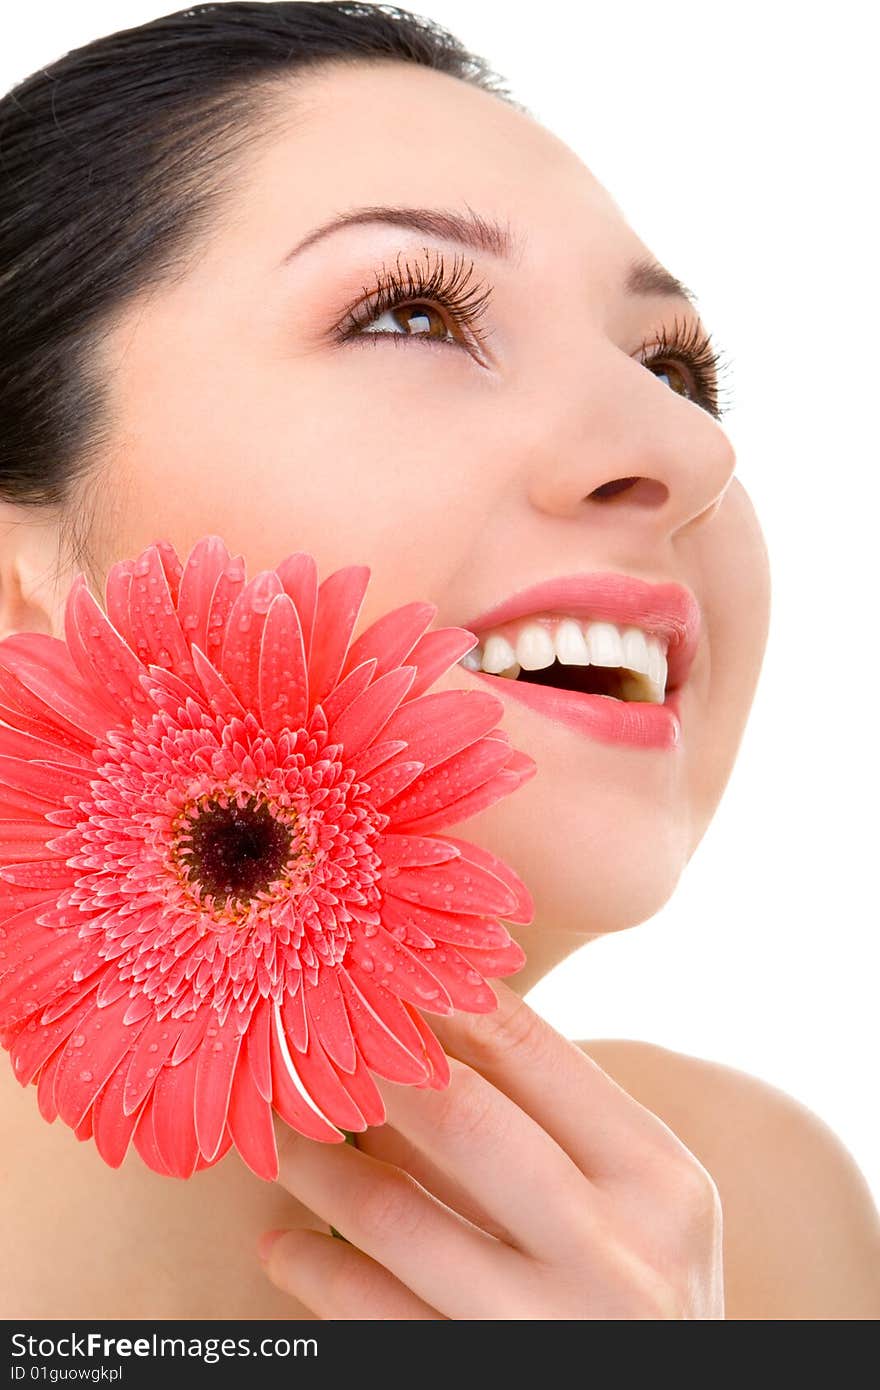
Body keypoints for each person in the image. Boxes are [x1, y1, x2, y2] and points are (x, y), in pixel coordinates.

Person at [0, 1, 877, 1321]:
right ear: (21, 574)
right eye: (410, 313)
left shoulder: (759, 1216)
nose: (693, 452)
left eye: (681, 369)